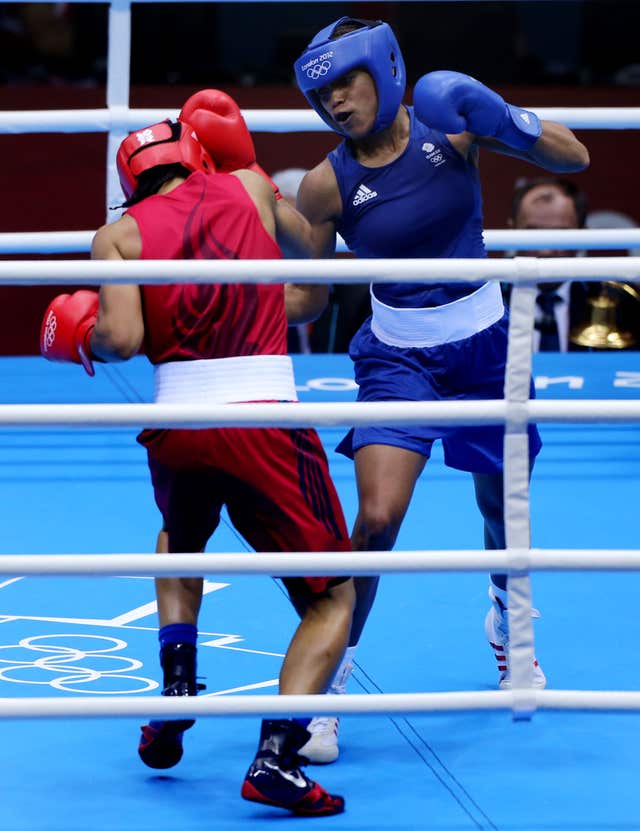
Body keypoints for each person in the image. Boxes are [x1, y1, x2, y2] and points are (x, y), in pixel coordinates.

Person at [39, 97, 356, 816]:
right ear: (199, 156)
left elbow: (119, 339)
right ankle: (277, 755)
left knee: (180, 538)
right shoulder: (247, 187)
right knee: (334, 592)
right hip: (262, 418)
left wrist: (78, 335)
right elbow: (306, 292)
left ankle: (177, 689)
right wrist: (273, 194)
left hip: (177, 423)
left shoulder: (116, 236)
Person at [291, 16, 590, 760]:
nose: (335, 103)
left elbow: (574, 156)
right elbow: (309, 301)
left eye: (346, 83)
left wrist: (507, 118)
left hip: (486, 346)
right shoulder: (325, 186)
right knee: (377, 518)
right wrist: (232, 257)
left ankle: (505, 620)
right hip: (398, 357)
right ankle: (328, 686)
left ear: (384, 69)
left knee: (502, 507)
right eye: (321, 93)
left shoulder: (449, 123)